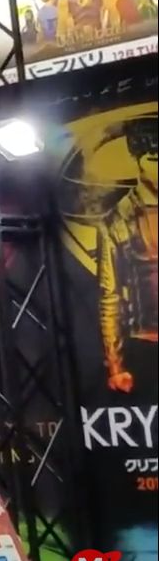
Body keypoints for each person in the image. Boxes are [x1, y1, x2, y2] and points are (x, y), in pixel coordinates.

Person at [100, 117, 158, 395]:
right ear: (137, 160)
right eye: (154, 158)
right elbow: (110, 297)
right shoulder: (119, 218)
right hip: (146, 347)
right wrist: (115, 365)